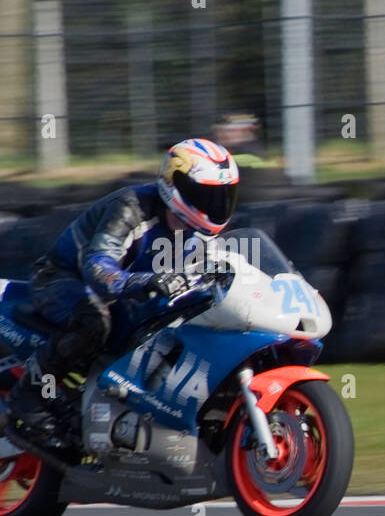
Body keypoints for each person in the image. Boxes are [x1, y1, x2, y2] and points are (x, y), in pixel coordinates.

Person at [7, 138, 240, 440]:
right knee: (94, 321)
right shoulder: (131, 207)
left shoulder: (201, 234)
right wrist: (143, 281)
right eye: (206, 194)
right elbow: (98, 266)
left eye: (223, 195)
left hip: (127, 296)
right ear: (175, 185)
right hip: (61, 279)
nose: (216, 205)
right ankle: (31, 393)